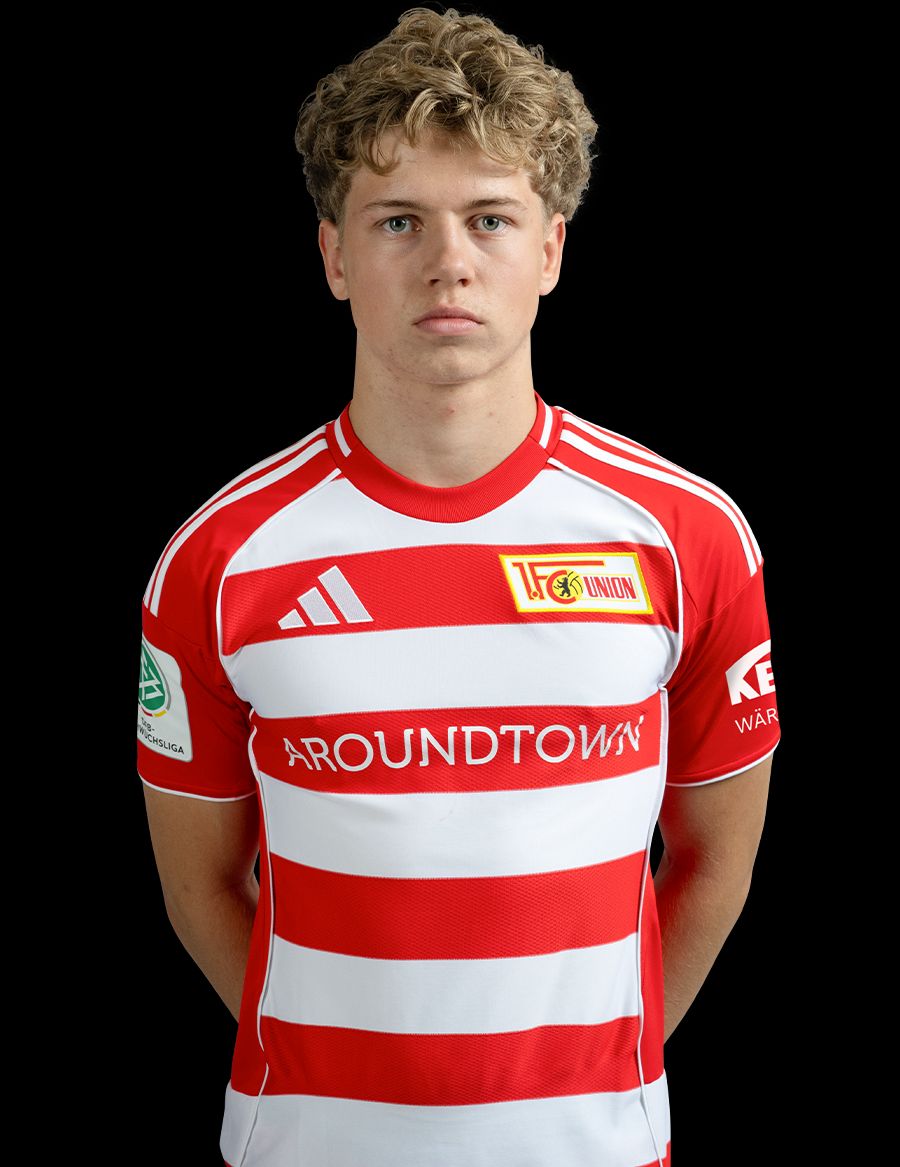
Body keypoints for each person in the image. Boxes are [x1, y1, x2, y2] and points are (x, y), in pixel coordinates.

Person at [137, 7, 780, 1165]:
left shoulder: (688, 537)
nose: (449, 261)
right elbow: (200, 887)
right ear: (335, 256)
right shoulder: (220, 558)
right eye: (399, 221)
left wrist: (603, 1069)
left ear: (551, 251)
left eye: (490, 218)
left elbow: (715, 862)